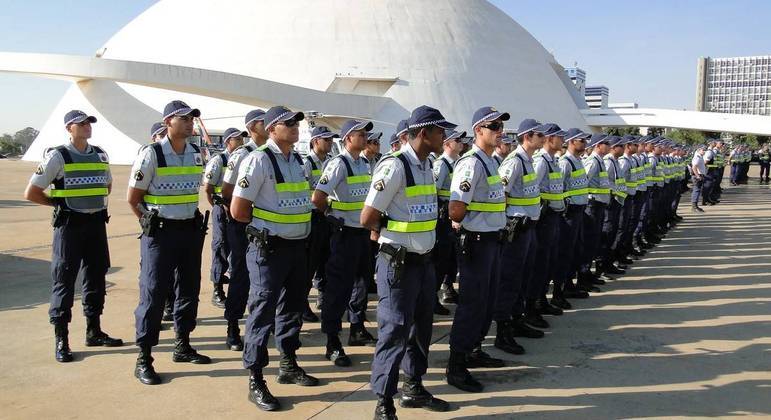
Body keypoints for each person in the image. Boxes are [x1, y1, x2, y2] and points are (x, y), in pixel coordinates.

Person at [362, 105, 454, 419]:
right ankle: (384, 403)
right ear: (424, 133)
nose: (446, 136)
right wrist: (392, 235)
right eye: (441, 131)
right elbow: (369, 217)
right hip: (399, 265)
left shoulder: (427, 164)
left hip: (423, 264)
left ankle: (413, 387)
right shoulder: (395, 166)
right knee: (394, 331)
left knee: (420, 330)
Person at [230, 106, 319, 411]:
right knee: (262, 311)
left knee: (291, 309)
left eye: (296, 122)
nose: (295, 126)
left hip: (296, 248)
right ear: (271, 129)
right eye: (287, 123)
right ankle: (255, 377)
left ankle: (288, 364)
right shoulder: (257, 160)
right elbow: (238, 211)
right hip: (269, 250)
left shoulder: (297, 159)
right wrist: (268, 230)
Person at [24, 110, 122, 363]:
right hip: (70, 226)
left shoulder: (100, 154)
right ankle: (62, 339)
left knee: (96, 277)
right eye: (81, 124)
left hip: (96, 224)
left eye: (89, 123)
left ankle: (94, 330)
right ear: (69, 128)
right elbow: (32, 192)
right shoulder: (58, 156)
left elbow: (107, 185)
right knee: (64, 280)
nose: (87, 127)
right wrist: (59, 206)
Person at [127, 100, 211, 385]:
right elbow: (133, 198)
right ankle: (144, 357)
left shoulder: (194, 153)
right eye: (183, 118)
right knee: (153, 293)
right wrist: (149, 223)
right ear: (168, 123)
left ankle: (182, 345)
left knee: (188, 289)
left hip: (189, 231)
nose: (190, 123)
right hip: (160, 234)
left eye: (191, 119)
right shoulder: (151, 154)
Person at [446, 106, 509, 393]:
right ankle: (456, 365)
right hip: (477, 242)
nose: (500, 132)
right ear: (478, 131)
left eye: (500, 127)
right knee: (472, 305)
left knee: (487, 301)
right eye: (494, 126)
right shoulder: (471, 163)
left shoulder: (491, 161)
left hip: (492, 240)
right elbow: (456, 209)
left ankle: (474, 349)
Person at [312, 119, 378, 368]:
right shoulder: (338, 164)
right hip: (343, 234)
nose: (365, 139)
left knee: (362, 284)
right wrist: (333, 216)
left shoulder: (363, 163)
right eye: (360, 135)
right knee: (338, 288)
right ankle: (332, 340)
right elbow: (318, 198)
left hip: (361, 233)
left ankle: (357, 328)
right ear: (348, 138)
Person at [494, 118, 548, 355]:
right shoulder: (514, 162)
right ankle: (503, 331)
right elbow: (500, 195)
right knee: (510, 280)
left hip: (528, 228)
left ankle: (517, 320)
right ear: (527, 137)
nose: (543, 138)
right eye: (539, 135)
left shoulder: (528, 161)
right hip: (516, 230)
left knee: (522, 278)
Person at [221, 109, 267, 351]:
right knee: (241, 275)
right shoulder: (242, 154)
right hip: (242, 225)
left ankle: (260, 326)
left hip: (267, 227)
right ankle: (232, 326)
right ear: (251, 127)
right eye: (262, 121)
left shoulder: (274, 155)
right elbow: (227, 192)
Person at [204, 128, 246, 309]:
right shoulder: (218, 160)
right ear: (228, 141)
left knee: (237, 248)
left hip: (237, 209)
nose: (241, 142)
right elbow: (208, 187)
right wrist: (217, 206)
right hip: (222, 208)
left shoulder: (245, 158)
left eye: (242, 138)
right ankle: (217, 288)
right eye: (237, 139)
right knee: (221, 246)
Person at [531, 123, 568, 312]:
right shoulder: (541, 161)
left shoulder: (553, 161)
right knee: (541, 262)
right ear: (549, 139)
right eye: (559, 137)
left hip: (554, 216)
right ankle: (536, 302)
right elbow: (532, 189)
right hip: (544, 218)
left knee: (549, 260)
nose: (563, 141)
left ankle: (542, 298)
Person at [303, 126, 338, 322]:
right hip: (313, 218)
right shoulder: (306, 163)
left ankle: (323, 297)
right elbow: (304, 192)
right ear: (315, 141)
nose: (330, 142)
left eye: (331, 139)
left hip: (328, 218)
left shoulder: (332, 162)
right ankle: (302, 302)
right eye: (326, 139)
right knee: (310, 263)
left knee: (326, 261)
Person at [556, 129, 591, 301]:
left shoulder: (578, 161)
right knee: (565, 252)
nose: (585, 144)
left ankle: (569, 284)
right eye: (581, 140)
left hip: (579, 211)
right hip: (569, 213)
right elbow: (560, 189)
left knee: (575, 250)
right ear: (571, 142)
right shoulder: (565, 163)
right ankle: (560, 289)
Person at [432, 129, 466, 311]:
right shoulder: (441, 165)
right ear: (447, 144)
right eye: (457, 140)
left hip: (452, 217)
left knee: (451, 258)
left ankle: (448, 288)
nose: (461, 143)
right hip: (443, 218)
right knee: (441, 258)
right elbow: (434, 192)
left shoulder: (456, 163)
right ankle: (432, 297)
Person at [578, 134, 611, 292]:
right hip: (592, 204)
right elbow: (584, 181)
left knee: (594, 241)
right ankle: (583, 276)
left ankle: (587, 273)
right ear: (598, 145)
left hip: (598, 204)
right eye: (606, 143)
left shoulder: (600, 161)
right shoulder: (592, 161)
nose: (609, 145)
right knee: (589, 240)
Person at [691, 145, 707, 212]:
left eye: (704, 150)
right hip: (698, 176)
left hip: (700, 175)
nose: (704, 152)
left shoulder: (700, 156)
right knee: (696, 191)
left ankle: (696, 206)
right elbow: (694, 167)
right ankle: (694, 206)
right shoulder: (697, 157)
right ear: (698, 150)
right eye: (703, 150)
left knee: (697, 191)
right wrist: (697, 175)